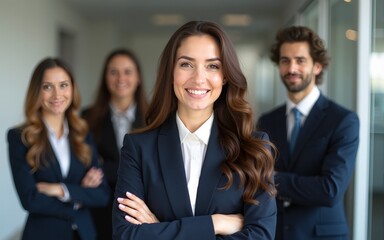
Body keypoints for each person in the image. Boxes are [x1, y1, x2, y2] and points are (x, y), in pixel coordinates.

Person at [112, 20, 277, 240]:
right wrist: (215, 223)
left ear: (225, 76)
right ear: (171, 72)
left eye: (212, 66)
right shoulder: (138, 148)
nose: (199, 78)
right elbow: (126, 235)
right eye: (186, 64)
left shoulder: (254, 148)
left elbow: (261, 236)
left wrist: (158, 229)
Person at [257, 26, 359, 239]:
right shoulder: (267, 121)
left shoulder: (343, 121)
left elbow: (330, 190)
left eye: (300, 60)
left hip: (321, 235)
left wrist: (271, 179)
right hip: (275, 233)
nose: (291, 68)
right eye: (285, 60)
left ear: (317, 66)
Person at [7, 58, 110, 240]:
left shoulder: (82, 132)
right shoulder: (20, 137)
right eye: (47, 87)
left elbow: (102, 194)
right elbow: (30, 199)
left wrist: (61, 190)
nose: (57, 95)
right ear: (37, 91)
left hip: (84, 234)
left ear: (72, 89)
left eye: (63, 85)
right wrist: (80, 194)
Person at [82, 48, 148, 239]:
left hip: (142, 210)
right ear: (105, 77)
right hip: (99, 211)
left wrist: (105, 167)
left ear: (138, 78)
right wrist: (136, 168)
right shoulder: (86, 119)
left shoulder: (155, 118)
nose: (121, 78)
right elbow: (87, 167)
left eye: (127, 71)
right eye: (113, 72)